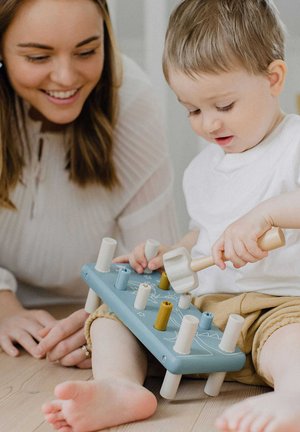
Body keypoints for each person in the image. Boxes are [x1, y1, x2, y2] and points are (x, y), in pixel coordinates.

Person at [43, 1, 300, 431]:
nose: (208, 124)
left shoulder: (293, 144)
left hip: (276, 309)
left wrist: (267, 213)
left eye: (223, 105)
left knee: (294, 339)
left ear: (273, 79)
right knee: (113, 313)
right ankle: (120, 386)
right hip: (204, 314)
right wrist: (168, 253)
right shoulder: (201, 169)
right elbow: (202, 235)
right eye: (193, 110)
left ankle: (293, 393)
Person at [0, 0, 179, 373]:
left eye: (87, 51)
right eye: (37, 57)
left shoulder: (131, 100)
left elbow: (155, 260)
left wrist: (114, 319)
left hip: (99, 305)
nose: (66, 78)